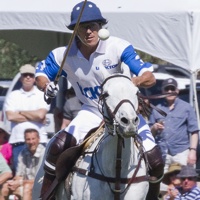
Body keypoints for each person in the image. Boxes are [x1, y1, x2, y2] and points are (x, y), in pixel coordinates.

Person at [35, 1, 164, 199]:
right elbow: (42, 74)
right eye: (83, 27)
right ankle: (47, 195)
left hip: (122, 113)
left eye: (93, 26)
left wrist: (132, 82)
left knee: (156, 160)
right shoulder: (64, 54)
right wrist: (46, 86)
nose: (89, 31)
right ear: (74, 30)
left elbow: (149, 76)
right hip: (91, 111)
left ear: (100, 27)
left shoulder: (119, 47)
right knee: (57, 146)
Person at [4, 64, 50, 173]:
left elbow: (41, 115)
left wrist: (20, 112)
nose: (28, 77)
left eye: (31, 75)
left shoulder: (41, 94)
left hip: (39, 142)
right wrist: (35, 117)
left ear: (35, 78)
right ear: (21, 78)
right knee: (19, 176)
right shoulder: (13, 95)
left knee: (40, 176)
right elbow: (10, 116)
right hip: (18, 141)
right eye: (25, 75)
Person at [149, 78, 199, 167]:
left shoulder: (187, 108)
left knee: (184, 180)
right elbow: (149, 134)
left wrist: (193, 151)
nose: (169, 91)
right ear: (162, 91)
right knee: (163, 181)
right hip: (162, 154)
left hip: (181, 153)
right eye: (167, 89)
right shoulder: (156, 109)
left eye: (172, 89)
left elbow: (194, 131)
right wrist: (154, 128)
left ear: (177, 91)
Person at [0, 128, 45, 200]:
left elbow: (40, 179)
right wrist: (14, 182)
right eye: (28, 139)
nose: (31, 142)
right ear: (25, 141)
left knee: (27, 187)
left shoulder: (44, 153)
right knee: (5, 187)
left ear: (38, 139)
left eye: (33, 139)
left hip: (41, 186)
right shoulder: (22, 153)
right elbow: (19, 175)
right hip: (24, 184)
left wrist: (20, 182)